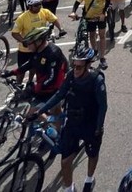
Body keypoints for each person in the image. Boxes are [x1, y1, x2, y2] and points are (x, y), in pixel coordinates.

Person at [32, 47, 107, 192]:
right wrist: (40, 111)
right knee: (65, 161)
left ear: (88, 65)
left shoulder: (97, 80)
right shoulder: (71, 75)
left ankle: (89, 180)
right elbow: (59, 95)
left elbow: (103, 106)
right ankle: (69, 189)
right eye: (74, 65)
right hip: (73, 122)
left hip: (90, 124)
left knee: (92, 154)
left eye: (79, 67)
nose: (75, 69)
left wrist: (99, 127)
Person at [2, 26, 67, 126]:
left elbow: (52, 78)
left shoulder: (53, 53)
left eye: (29, 44)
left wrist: (34, 88)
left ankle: (55, 133)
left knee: (34, 114)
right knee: (44, 114)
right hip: (44, 88)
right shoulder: (38, 50)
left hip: (54, 89)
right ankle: (54, 126)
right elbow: (30, 63)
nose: (28, 47)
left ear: (39, 41)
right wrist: (11, 73)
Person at [12, 0, 64, 77]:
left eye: (40, 4)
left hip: (39, 49)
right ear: (29, 7)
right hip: (25, 49)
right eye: (36, 5)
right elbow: (15, 33)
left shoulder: (44, 12)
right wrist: (24, 41)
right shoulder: (22, 18)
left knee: (34, 68)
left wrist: (61, 29)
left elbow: (54, 19)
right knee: (21, 70)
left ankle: (30, 81)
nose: (39, 6)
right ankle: (19, 83)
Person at [69, 0, 111, 70]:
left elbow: (108, 1)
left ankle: (102, 57)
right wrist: (73, 12)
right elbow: (77, 2)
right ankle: (95, 50)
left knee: (102, 36)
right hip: (89, 17)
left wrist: (103, 13)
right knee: (92, 35)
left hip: (100, 16)